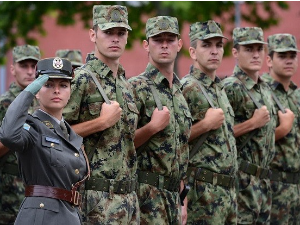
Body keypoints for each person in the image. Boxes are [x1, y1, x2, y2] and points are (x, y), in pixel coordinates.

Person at [62, 4, 140, 225]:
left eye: (121, 33)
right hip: (95, 200)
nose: (115, 38)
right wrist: (101, 122)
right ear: (93, 34)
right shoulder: (81, 79)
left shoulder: (126, 85)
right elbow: (54, 134)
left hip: (129, 200)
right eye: (108, 32)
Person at [0, 57, 90, 225]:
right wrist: (27, 93)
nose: (56, 91)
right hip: (40, 216)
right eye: (48, 85)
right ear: (38, 91)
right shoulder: (32, 127)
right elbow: (8, 135)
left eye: (63, 85)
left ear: (70, 91)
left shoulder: (69, 134)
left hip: (69, 215)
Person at [128, 16, 192, 225]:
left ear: (179, 44)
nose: (164, 45)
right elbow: (121, 146)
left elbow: (180, 148)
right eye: (158, 40)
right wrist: (152, 127)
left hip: (175, 196)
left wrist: (182, 199)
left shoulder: (180, 92)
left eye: (170, 39)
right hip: (146, 194)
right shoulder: (135, 87)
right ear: (146, 45)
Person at [181, 20, 238, 224]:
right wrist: (204, 125)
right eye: (206, 45)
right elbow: (171, 141)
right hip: (201, 194)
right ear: (193, 52)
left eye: (219, 45)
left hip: (227, 193)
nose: (214, 51)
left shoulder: (220, 89)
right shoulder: (187, 88)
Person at [222, 27, 278, 224]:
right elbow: (219, 136)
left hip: (264, 180)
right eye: (248, 49)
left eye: (259, 49)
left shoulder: (265, 88)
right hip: (242, 180)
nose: (255, 54)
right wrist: (251, 123)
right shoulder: (231, 87)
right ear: (236, 52)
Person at [261, 33, 300, 224]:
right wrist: (282, 130)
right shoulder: (260, 92)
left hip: (296, 187)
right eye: (282, 56)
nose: (289, 61)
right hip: (272, 185)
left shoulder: (297, 94)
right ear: (269, 60)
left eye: (292, 56)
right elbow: (250, 141)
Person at [0, 44, 40, 225]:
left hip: (39, 188)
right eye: (24, 66)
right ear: (12, 69)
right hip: (10, 190)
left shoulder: (44, 102)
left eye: (34, 66)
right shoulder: (4, 104)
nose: (30, 71)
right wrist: (19, 131)